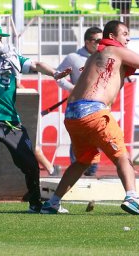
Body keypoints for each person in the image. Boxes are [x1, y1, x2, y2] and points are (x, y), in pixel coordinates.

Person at [40, 20, 139, 215]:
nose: (128, 37)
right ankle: (132, 196)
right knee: (122, 155)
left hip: (72, 114)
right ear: (112, 37)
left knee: (82, 161)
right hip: (93, 111)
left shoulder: (94, 55)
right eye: (125, 33)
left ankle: (52, 203)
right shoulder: (116, 50)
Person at [0, 22, 70, 214]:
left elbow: (35, 64)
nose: (0, 42)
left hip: (12, 122)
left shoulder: (9, 57)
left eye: (1, 38)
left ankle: (35, 203)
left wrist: (55, 73)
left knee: (30, 164)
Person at [56, 26, 103, 176]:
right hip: (79, 105)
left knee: (97, 136)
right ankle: (77, 171)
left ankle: (92, 170)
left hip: (99, 104)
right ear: (88, 41)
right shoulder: (73, 57)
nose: (101, 43)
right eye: (98, 40)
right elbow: (58, 75)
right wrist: (72, 88)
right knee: (78, 137)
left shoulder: (104, 56)